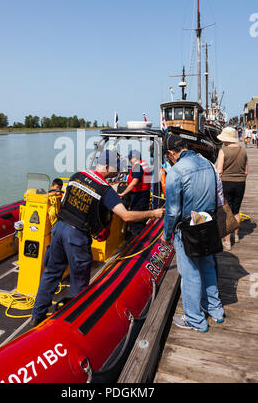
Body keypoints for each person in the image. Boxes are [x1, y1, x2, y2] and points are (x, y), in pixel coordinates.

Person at [31, 150, 165, 326]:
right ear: (107, 167)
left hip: (59, 229)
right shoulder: (105, 190)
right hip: (76, 236)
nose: (118, 173)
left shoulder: (76, 176)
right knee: (79, 281)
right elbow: (125, 216)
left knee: (51, 273)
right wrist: (153, 213)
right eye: (116, 169)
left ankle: (37, 314)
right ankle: (76, 322)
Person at [161, 134, 224, 332]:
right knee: (208, 267)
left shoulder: (176, 171)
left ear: (171, 153)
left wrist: (167, 234)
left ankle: (195, 320)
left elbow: (172, 211)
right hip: (208, 223)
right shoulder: (208, 164)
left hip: (188, 229)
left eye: (167, 156)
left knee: (190, 274)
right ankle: (216, 310)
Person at [216, 126, 248, 250]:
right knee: (236, 211)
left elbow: (219, 171)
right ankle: (236, 236)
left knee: (226, 211)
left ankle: (228, 242)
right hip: (240, 183)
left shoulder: (223, 151)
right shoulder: (243, 151)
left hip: (226, 183)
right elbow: (246, 171)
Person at [119, 150, 152, 237]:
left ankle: (137, 243)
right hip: (145, 195)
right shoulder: (145, 165)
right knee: (141, 219)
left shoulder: (137, 166)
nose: (130, 161)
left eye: (130, 159)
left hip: (139, 197)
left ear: (134, 158)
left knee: (136, 221)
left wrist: (123, 193)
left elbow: (134, 182)